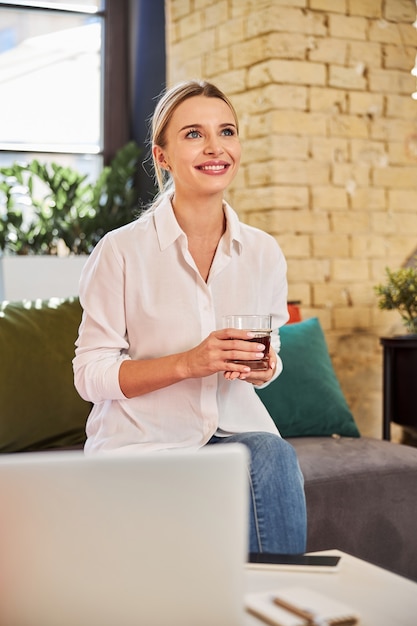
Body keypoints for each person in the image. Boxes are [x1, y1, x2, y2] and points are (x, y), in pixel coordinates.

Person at [73, 80, 307, 554]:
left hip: (231, 436)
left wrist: (263, 367)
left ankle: (278, 603)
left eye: (227, 131)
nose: (215, 147)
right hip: (143, 443)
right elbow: (89, 374)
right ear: (162, 156)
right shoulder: (120, 252)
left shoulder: (263, 251)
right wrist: (190, 362)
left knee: (273, 452)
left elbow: (271, 352)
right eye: (194, 134)